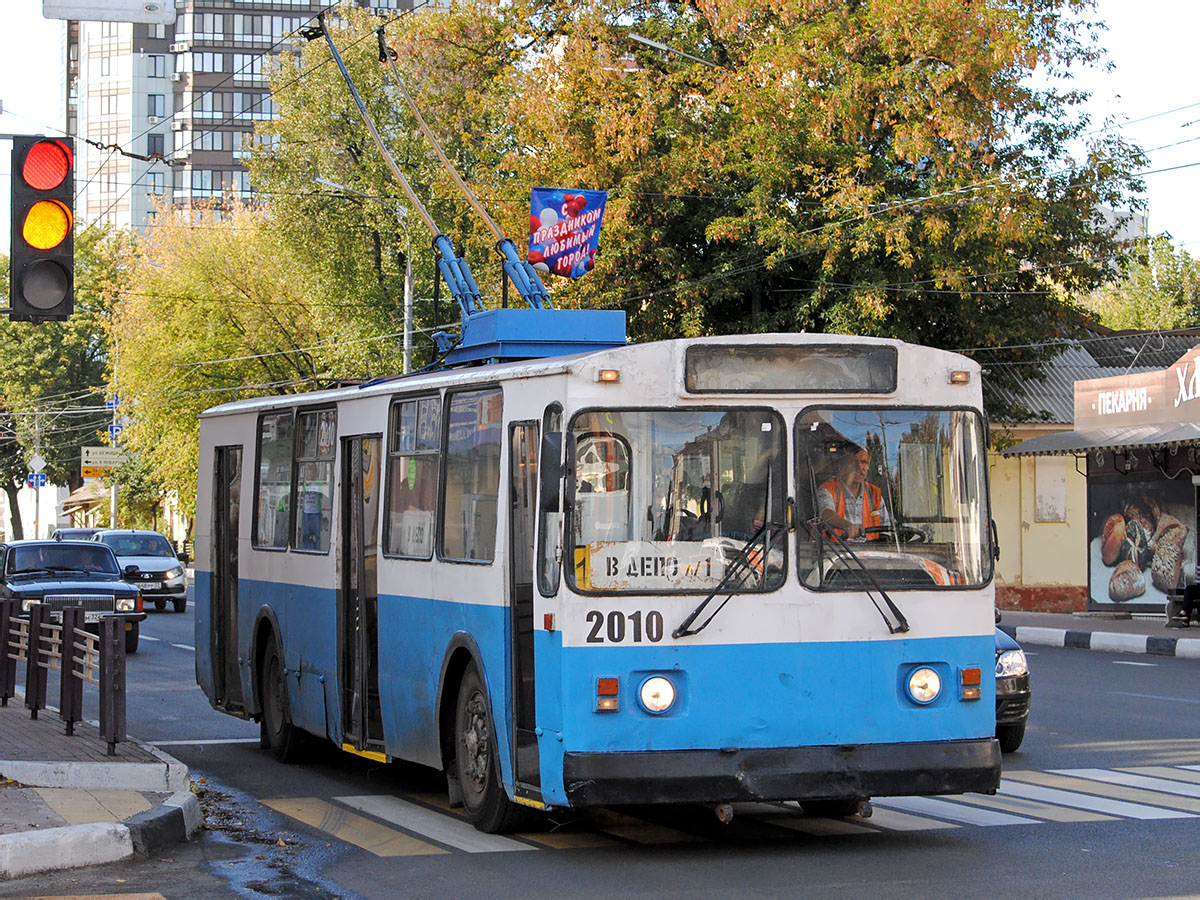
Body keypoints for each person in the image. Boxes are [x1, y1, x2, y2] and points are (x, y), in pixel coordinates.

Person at [817, 443, 890, 541]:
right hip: (835, 553)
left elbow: (886, 531)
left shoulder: (874, 494)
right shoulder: (828, 490)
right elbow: (826, 513)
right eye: (853, 462)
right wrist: (848, 527)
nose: (859, 466)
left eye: (864, 462)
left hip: (871, 553)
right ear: (841, 466)